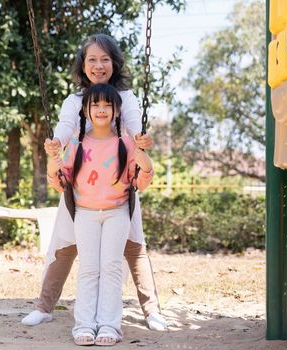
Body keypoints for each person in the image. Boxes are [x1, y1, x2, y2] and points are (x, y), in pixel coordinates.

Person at [22, 33, 168, 332]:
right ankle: (44, 306)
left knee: (133, 246)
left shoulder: (124, 98)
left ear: (114, 63)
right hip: (82, 189)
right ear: (83, 64)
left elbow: (132, 127)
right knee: (64, 246)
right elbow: (65, 127)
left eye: (104, 59)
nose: (98, 65)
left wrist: (141, 139)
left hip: (117, 187)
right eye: (92, 59)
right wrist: (56, 142)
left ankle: (151, 310)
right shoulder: (76, 100)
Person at [46, 83, 155, 346]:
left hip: (117, 213)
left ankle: (109, 326)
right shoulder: (76, 143)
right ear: (85, 110)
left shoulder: (127, 144)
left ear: (117, 111)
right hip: (85, 214)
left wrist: (146, 163)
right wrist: (53, 160)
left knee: (111, 267)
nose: (102, 110)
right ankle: (84, 325)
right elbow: (60, 181)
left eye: (108, 105)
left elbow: (140, 182)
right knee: (89, 268)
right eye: (96, 105)